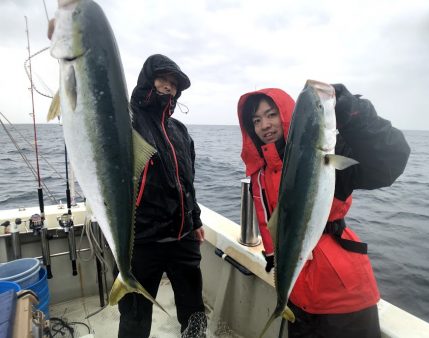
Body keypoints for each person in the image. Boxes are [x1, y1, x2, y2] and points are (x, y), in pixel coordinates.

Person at [237, 85, 410, 338]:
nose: (265, 125)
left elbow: (390, 160)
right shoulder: (261, 174)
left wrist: (351, 109)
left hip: (343, 300)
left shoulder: (332, 154)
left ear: (290, 115)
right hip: (298, 297)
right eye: (257, 120)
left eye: (271, 114)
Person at [117, 54, 206, 338]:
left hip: (183, 238)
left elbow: (187, 183)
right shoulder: (127, 121)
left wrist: (196, 219)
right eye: (162, 80)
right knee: (135, 315)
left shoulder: (180, 130)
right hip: (141, 240)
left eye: (173, 84)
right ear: (147, 80)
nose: (169, 87)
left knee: (194, 311)